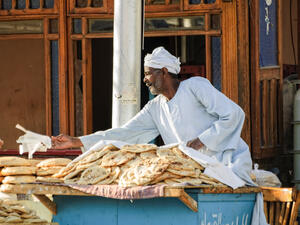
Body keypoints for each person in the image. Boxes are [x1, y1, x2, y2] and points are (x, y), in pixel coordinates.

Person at [52, 46, 253, 184]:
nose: (145, 79)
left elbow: (234, 114)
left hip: (228, 166)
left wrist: (201, 141)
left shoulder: (195, 87)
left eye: (148, 73)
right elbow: (125, 133)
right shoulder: (155, 107)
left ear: (164, 72)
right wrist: (77, 141)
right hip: (196, 174)